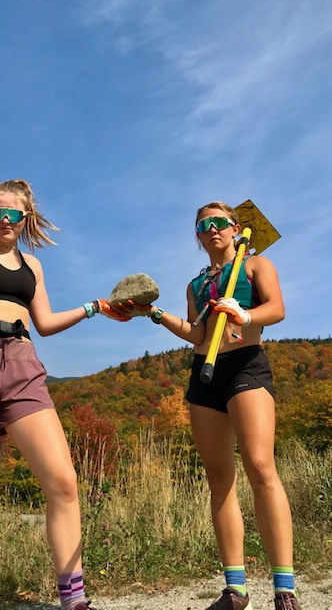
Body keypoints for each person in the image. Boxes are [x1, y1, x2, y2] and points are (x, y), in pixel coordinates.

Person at [0, 178, 127, 610]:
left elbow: (45, 323)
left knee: (64, 482)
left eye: (14, 214)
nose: (5, 220)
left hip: (23, 360)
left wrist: (94, 307)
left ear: (26, 217)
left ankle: (74, 599)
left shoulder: (32, 266)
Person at [116, 202, 301, 610]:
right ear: (198, 235)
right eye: (203, 225)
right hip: (205, 372)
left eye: (219, 222)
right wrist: (155, 313)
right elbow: (198, 334)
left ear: (235, 228)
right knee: (219, 477)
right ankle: (235, 590)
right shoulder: (196, 285)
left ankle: (284, 589)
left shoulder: (254, 266)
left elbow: (277, 309)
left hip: (245, 365)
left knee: (260, 466)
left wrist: (243, 314)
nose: (212, 229)